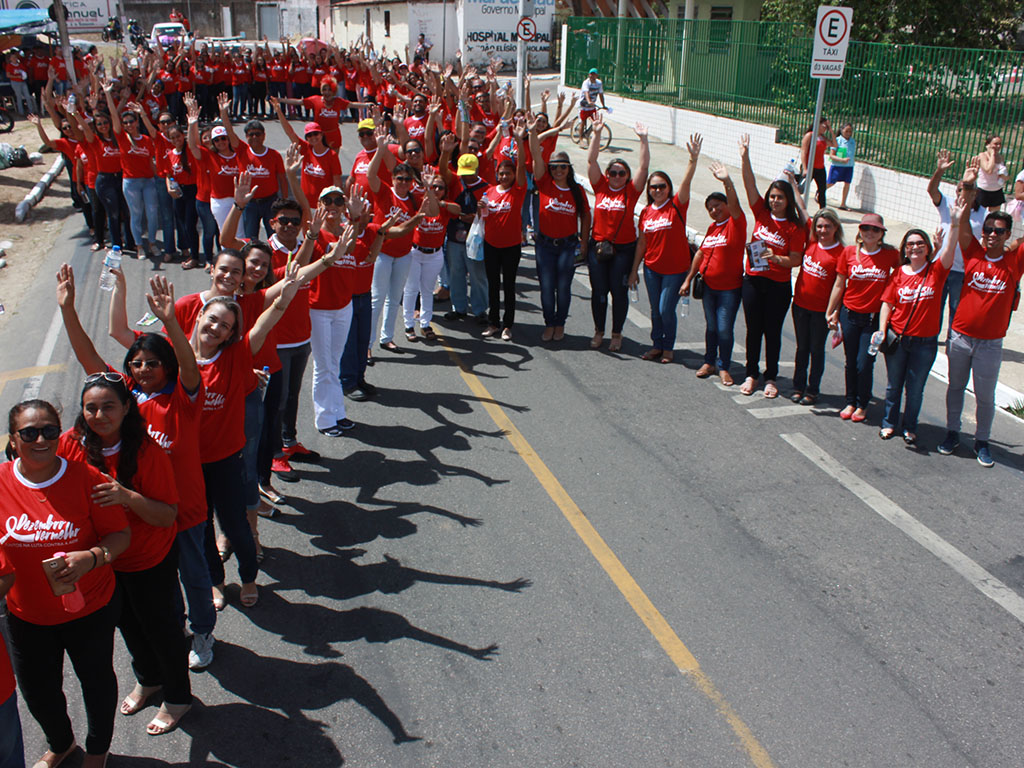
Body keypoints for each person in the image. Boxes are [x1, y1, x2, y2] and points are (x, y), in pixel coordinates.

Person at [58, 372, 191, 737]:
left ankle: (178, 697)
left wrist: (126, 496)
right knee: (127, 625)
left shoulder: (149, 452)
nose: (99, 415)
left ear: (127, 407)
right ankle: (148, 681)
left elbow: (167, 515)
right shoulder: (71, 444)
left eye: (108, 406)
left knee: (162, 628)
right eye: (91, 408)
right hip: (103, 562)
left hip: (149, 559)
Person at [1, 400, 131, 768]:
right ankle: (62, 744)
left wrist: (91, 558)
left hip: (90, 608)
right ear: (13, 439)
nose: (40, 439)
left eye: (49, 431)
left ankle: (97, 750)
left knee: (96, 683)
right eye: (29, 432)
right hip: (26, 615)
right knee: (38, 694)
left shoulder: (87, 478)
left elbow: (120, 535)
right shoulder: (0, 483)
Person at [941, 172, 1024, 467]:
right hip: (960, 337)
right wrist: (969, 187)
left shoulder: (1014, 261)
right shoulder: (973, 252)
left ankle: (982, 441)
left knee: (985, 397)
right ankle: (952, 433)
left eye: (999, 231)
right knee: (954, 387)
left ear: (1007, 234)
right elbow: (963, 224)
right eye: (988, 228)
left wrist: (1014, 243)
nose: (991, 234)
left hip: (990, 344)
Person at [737, 134, 806, 397]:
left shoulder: (794, 227)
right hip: (753, 280)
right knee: (753, 329)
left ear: (788, 200)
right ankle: (751, 374)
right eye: (773, 196)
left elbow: (796, 259)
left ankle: (771, 377)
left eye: (780, 197)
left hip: (778, 285)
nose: (775, 200)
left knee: (772, 332)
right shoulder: (761, 213)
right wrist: (745, 157)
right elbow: (749, 184)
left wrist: (776, 259)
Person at [877, 222, 957, 444]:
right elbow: (887, 304)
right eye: (910, 244)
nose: (915, 247)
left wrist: (956, 224)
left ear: (928, 248)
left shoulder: (936, 271)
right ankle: (889, 423)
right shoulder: (898, 274)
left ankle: (910, 426)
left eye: (920, 243)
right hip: (899, 340)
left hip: (925, 344)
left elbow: (950, 252)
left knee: (915, 389)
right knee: (893, 386)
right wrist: (882, 331)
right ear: (904, 249)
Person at [629, 136, 701, 363]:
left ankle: (668, 346)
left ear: (668, 188)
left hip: (675, 270)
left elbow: (687, 183)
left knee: (664, 309)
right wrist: (634, 271)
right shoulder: (646, 212)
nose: (658, 190)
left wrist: (693, 160)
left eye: (662, 186)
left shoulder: (676, 205)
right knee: (654, 310)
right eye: (653, 187)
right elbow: (642, 243)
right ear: (648, 191)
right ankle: (657, 345)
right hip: (652, 269)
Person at [825, 213, 899, 421]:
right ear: (860, 231)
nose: (870, 233)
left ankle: (862, 404)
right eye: (866, 228)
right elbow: (839, 284)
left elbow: (907, 270)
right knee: (850, 362)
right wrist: (831, 311)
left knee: (864, 363)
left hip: (873, 320)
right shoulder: (849, 253)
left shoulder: (890, 254)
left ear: (881, 234)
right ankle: (850, 401)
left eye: (875, 230)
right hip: (849, 315)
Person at [587, 113, 650, 351]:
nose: (615, 176)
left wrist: (643, 139)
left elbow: (644, 166)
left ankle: (616, 333)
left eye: (621, 173)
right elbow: (592, 163)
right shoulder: (601, 187)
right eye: (612, 172)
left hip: (624, 249)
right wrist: (597, 133)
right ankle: (598, 331)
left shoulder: (631, 191)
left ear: (626, 177)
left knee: (618, 291)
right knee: (599, 292)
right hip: (598, 247)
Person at [682, 162, 746, 386]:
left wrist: (727, 181)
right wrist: (689, 279)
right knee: (711, 328)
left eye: (718, 205)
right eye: (710, 208)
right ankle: (709, 362)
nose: (714, 210)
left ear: (727, 206)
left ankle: (724, 366)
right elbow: (701, 253)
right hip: (708, 287)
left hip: (729, 289)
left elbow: (736, 204)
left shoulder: (736, 224)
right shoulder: (712, 228)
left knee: (724, 329)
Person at [368, 126, 423, 352]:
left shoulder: (413, 198)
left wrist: (427, 185)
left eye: (406, 179)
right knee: (376, 299)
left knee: (394, 298)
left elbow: (428, 212)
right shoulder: (384, 192)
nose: (402, 182)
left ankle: (386, 337)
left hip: (403, 255)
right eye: (399, 178)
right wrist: (380, 149)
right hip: (381, 253)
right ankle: (367, 344)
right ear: (392, 178)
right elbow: (371, 175)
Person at [530, 140, 590, 342]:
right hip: (545, 246)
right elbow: (537, 159)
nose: (558, 171)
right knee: (546, 287)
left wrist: (584, 241)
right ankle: (549, 322)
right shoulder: (544, 184)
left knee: (563, 287)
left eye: (563, 167)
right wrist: (532, 134)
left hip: (568, 246)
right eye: (554, 167)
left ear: (569, 169)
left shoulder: (577, 190)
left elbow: (586, 215)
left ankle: (560, 323)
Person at [927, 152, 987, 342]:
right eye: (959, 189)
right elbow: (932, 190)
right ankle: (930, 336)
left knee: (956, 306)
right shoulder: (947, 204)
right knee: (935, 303)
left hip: (963, 270)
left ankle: (953, 340)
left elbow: (985, 240)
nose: (961, 193)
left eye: (966, 189)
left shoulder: (983, 213)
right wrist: (939, 171)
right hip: (942, 265)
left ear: (974, 193)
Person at [481, 118, 529, 342]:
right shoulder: (490, 191)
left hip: (511, 246)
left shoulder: (517, 191)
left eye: (508, 173)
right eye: (501, 173)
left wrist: (518, 140)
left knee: (508, 286)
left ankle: (507, 325)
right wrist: (481, 207)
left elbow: (521, 167)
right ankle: (493, 322)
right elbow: (483, 214)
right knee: (493, 285)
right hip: (491, 244)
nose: (504, 176)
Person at [789, 209, 844, 405]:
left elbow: (840, 286)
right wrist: (795, 185)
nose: (822, 230)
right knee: (801, 348)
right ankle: (798, 386)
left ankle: (812, 390)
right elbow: (802, 210)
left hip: (821, 311)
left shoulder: (841, 253)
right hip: (800, 305)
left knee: (816, 349)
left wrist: (834, 312)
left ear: (836, 227)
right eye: (819, 226)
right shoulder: (811, 242)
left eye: (827, 226)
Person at [107, 91, 162, 259]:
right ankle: (139, 246)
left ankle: (152, 242)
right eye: (126, 123)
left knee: (152, 213)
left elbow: (153, 161)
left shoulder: (146, 140)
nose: (129, 124)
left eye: (131, 121)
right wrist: (109, 94)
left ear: (137, 122)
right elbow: (113, 116)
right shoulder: (122, 137)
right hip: (130, 182)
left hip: (148, 181)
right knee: (136, 214)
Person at [404, 171, 454, 340]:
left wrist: (441, 202)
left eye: (440, 187)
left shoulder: (445, 207)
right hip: (416, 252)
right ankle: (409, 325)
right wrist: (427, 187)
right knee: (411, 289)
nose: (437, 189)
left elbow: (458, 209)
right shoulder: (419, 202)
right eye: (434, 186)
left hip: (434, 254)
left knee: (427, 289)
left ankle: (425, 324)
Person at [800, 119, 835, 210]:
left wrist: (831, 130)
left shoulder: (823, 138)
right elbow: (803, 151)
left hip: (820, 168)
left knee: (822, 190)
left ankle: (822, 210)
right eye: (824, 126)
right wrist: (805, 168)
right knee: (801, 189)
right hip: (809, 167)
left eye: (826, 127)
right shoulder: (810, 135)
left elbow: (834, 144)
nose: (825, 129)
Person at [975, 135, 1008, 212]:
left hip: (997, 190)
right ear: (988, 145)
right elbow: (988, 170)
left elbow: (1006, 175)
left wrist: (1003, 176)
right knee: (980, 214)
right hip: (983, 190)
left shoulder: (1001, 157)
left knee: (994, 216)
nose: (998, 146)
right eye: (995, 144)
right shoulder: (982, 155)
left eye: (1000, 144)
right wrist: (992, 155)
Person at [826, 122, 855, 210]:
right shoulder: (837, 140)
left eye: (850, 131)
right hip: (838, 166)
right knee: (831, 182)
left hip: (849, 166)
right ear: (842, 130)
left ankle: (843, 203)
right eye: (847, 131)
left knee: (847, 183)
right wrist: (841, 160)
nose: (848, 134)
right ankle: (821, 190)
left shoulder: (852, 141)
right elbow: (831, 155)